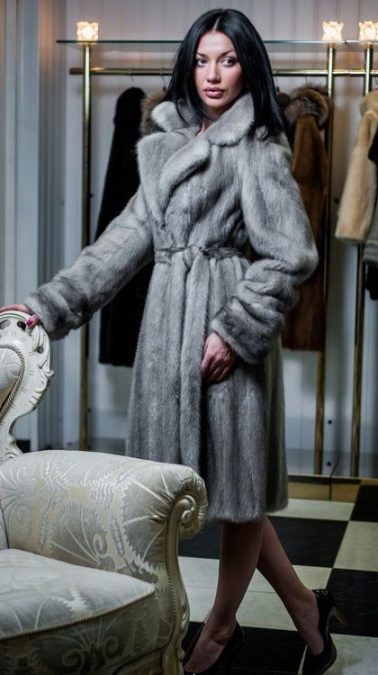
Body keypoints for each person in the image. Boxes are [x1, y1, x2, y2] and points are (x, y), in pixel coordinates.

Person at [0, 8, 342, 675]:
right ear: (189, 67)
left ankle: (218, 630)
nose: (213, 74)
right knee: (214, 492)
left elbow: (292, 253)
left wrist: (235, 329)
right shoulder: (163, 144)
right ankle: (308, 610)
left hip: (227, 336)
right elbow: (122, 244)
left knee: (239, 495)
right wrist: (47, 307)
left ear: (248, 68)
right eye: (202, 60)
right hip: (167, 340)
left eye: (228, 60)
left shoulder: (260, 146)